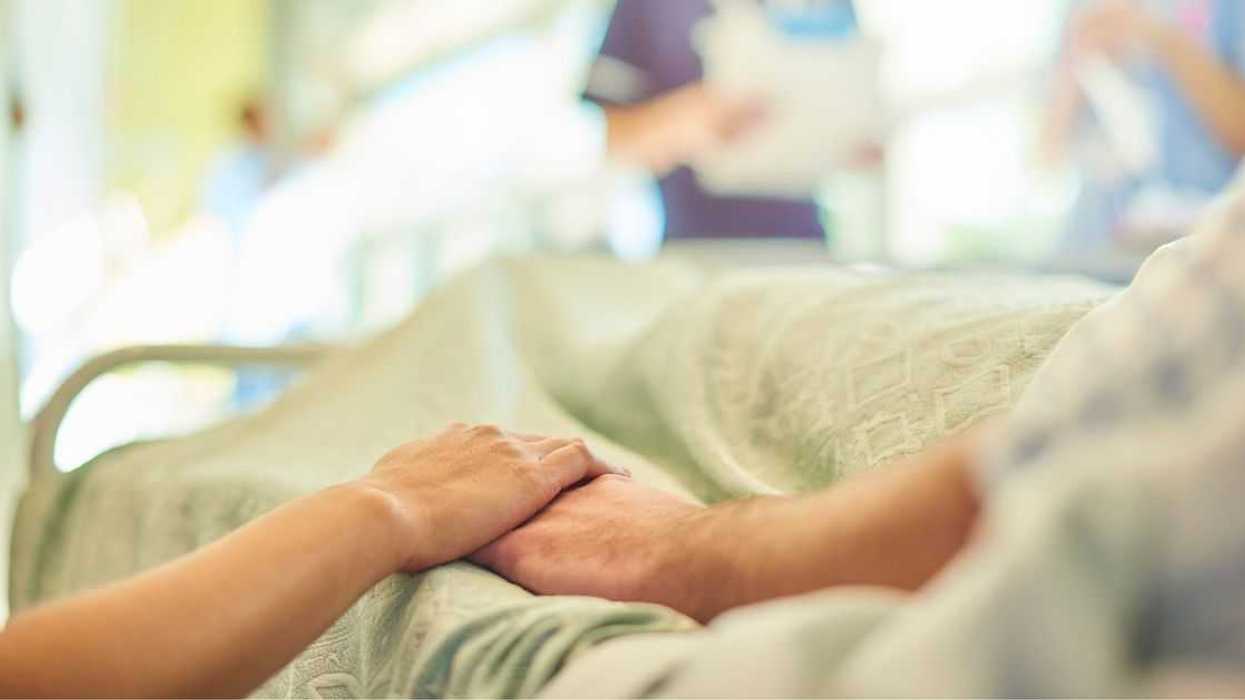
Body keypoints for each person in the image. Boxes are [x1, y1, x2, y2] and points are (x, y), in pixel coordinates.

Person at [588, 0, 861, 241]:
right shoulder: (650, 7)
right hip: (697, 245)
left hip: (806, 247)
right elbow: (606, 139)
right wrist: (675, 125)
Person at [1041, 0, 1245, 252]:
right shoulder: (1084, 10)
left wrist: (1158, 36)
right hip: (1092, 243)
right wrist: (1077, 63)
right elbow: (1046, 157)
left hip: (1201, 246)